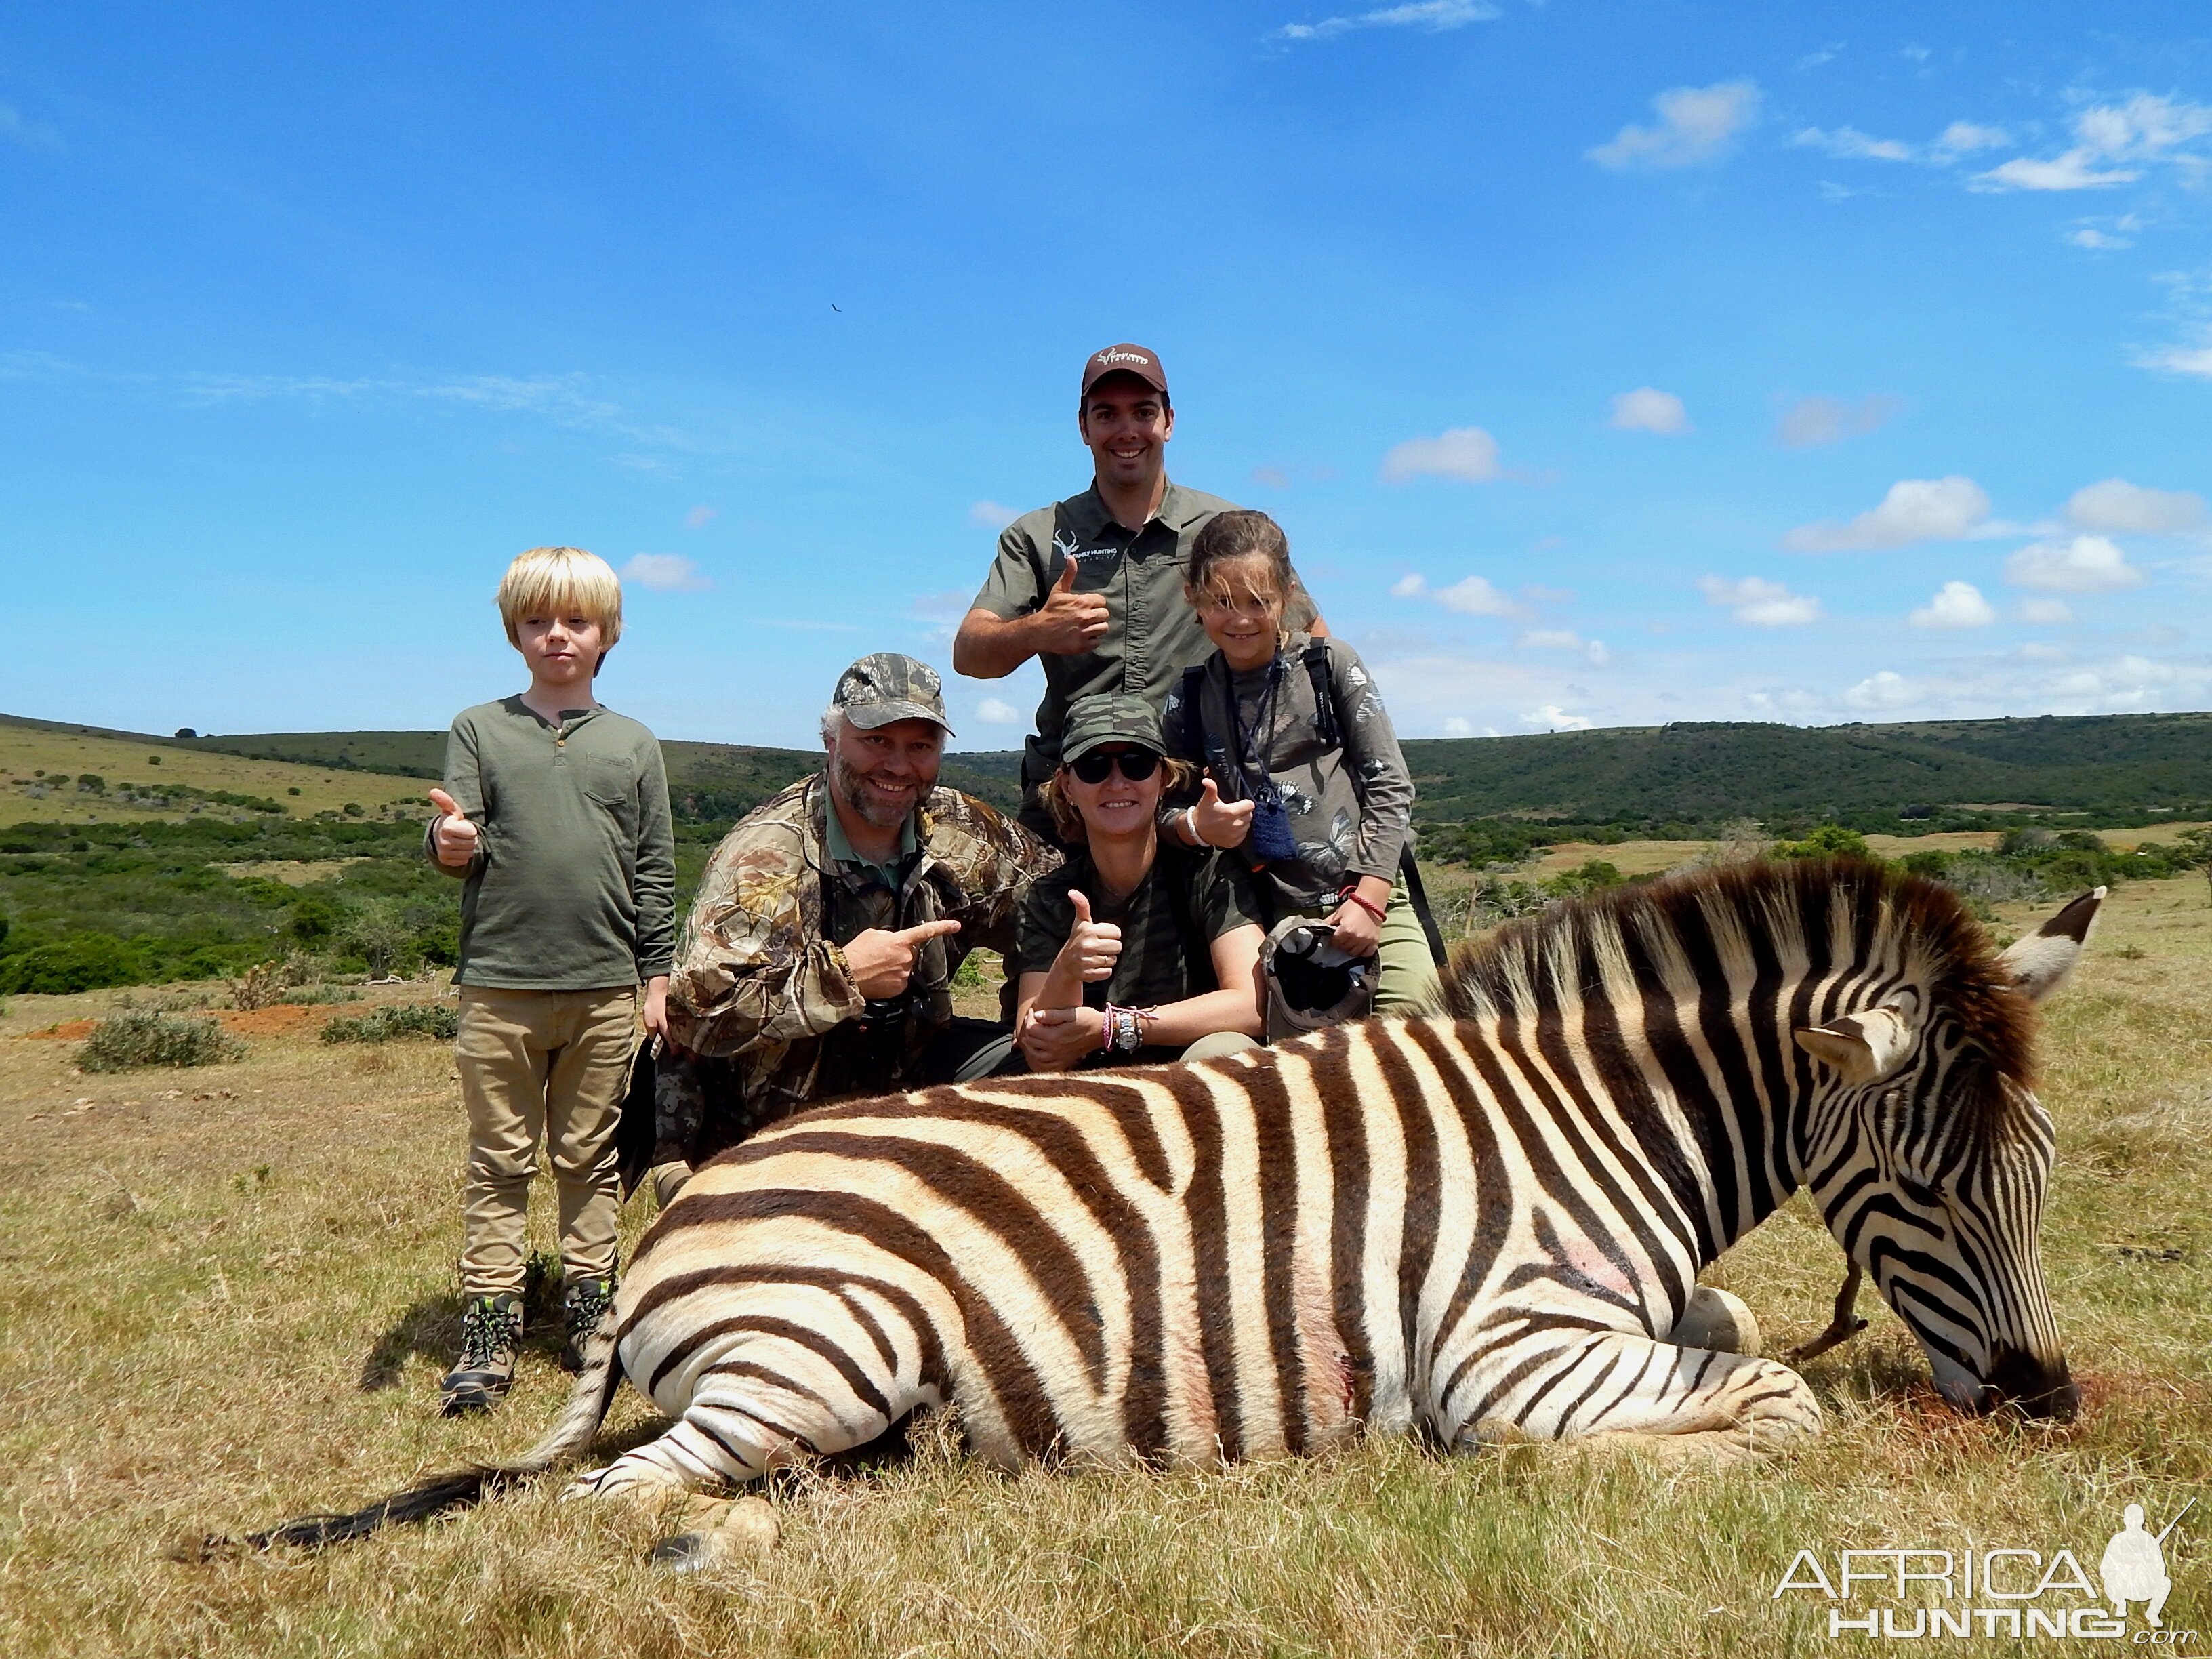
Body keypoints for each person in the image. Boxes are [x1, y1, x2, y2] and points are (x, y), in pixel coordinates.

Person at [424, 545, 676, 1416]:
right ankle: (488, 1331)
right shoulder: (478, 729)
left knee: (590, 1157)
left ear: (608, 634)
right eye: (538, 621)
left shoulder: (634, 744)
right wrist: (447, 845)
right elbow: (460, 840)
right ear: (513, 633)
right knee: (498, 1160)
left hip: (606, 988)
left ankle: (590, 1316)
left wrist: (657, 976)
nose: (556, 636)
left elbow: (654, 868)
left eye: (575, 621)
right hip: (499, 984)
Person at [654, 653, 1057, 1192]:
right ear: (832, 741)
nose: (898, 766)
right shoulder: (766, 858)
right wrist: (842, 976)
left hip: (910, 1080)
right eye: (877, 742)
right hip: (770, 1121)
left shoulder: (963, 829)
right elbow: (695, 1015)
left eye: (920, 746)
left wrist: (1034, 1004)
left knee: (1045, 1083)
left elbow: (1058, 898)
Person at [951, 342, 1317, 843]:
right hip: (1074, 794)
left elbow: (1310, 645)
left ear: (1168, 421)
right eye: (1107, 414)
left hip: (1198, 792)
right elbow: (971, 655)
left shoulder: (1227, 531)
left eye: (1143, 412)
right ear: (1084, 427)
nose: (1127, 431)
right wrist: (1038, 630)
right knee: (1040, 919)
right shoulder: (1038, 535)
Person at [1163, 510, 1439, 1015]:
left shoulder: (1330, 665)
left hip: (1367, 902)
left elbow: (1390, 783)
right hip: (1264, 922)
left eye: (1258, 602)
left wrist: (1371, 898)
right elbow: (1167, 810)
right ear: (1193, 596)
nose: (1241, 619)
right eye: (1222, 602)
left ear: (1288, 596)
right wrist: (1196, 827)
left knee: (1421, 1037)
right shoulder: (1191, 695)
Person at [1012, 694, 1266, 1069]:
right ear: (1067, 787)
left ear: (1163, 779)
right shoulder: (1050, 897)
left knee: (1227, 1052)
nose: (1117, 783)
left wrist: (1115, 1026)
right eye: (1093, 767)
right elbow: (1038, 1047)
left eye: (1137, 764)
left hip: (1188, 1090)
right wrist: (1066, 969)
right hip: (1090, 1091)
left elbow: (1252, 1006)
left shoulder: (1209, 873)